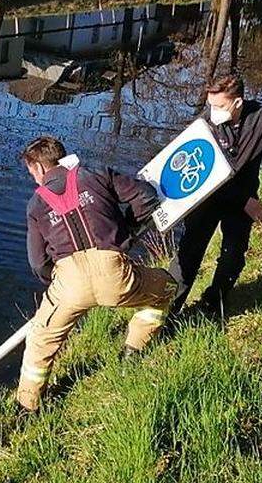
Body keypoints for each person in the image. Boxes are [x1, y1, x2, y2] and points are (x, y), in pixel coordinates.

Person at [17, 136, 176, 411]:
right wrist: (127, 231)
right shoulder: (97, 174)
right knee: (166, 288)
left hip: (68, 282)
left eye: (32, 172)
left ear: (40, 169)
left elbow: (38, 262)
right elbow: (145, 197)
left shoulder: (35, 205)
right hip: (114, 272)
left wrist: (55, 281)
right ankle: (134, 351)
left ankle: (27, 407)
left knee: (41, 341)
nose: (34, 179)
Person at [168, 73, 262, 316]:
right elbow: (209, 175)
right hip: (209, 198)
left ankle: (213, 302)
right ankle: (167, 311)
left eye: (219, 106)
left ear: (237, 102)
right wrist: (245, 201)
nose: (212, 110)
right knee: (187, 257)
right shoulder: (204, 125)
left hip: (243, 200)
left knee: (233, 257)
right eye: (210, 105)